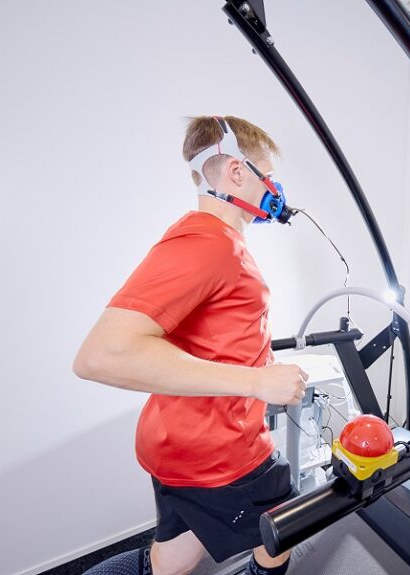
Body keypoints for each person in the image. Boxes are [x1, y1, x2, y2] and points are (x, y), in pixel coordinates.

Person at [74, 115, 309, 575]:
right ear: (238, 171)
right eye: (268, 175)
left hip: (178, 442)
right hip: (221, 453)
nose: (274, 189)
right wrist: (257, 381)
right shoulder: (209, 244)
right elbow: (103, 354)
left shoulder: (213, 238)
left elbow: (204, 335)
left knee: (172, 561)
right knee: (288, 527)